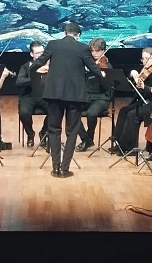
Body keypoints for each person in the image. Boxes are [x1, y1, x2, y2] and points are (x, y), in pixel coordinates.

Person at [30, 22, 103, 178]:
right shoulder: (82, 48)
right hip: (75, 96)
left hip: (54, 94)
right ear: (77, 35)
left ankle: (55, 168)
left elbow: (39, 62)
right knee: (72, 131)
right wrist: (101, 75)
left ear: (65, 32)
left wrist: (31, 70)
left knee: (54, 130)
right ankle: (65, 169)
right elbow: (93, 67)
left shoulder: (53, 44)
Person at [111, 48, 152, 156]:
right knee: (123, 111)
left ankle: (129, 147)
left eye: (147, 59)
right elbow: (135, 87)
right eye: (143, 59)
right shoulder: (145, 70)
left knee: (133, 114)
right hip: (144, 101)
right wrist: (133, 76)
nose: (144, 62)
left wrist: (143, 86)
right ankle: (119, 144)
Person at [75, 38, 112, 152]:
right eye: (92, 51)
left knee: (91, 113)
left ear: (103, 51)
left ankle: (90, 136)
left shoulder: (107, 66)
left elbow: (108, 87)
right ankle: (86, 139)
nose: (94, 54)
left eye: (97, 51)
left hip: (101, 98)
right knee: (72, 112)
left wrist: (101, 75)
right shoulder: (88, 64)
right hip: (87, 96)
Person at [15, 41, 50, 148]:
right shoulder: (26, 67)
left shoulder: (51, 65)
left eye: (42, 52)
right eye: (38, 53)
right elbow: (19, 82)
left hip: (45, 95)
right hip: (28, 96)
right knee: (24, 113)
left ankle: (44, 133)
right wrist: (36, 75)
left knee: (55, 110)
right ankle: (30, 134)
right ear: (31, 54)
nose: (41, 55)